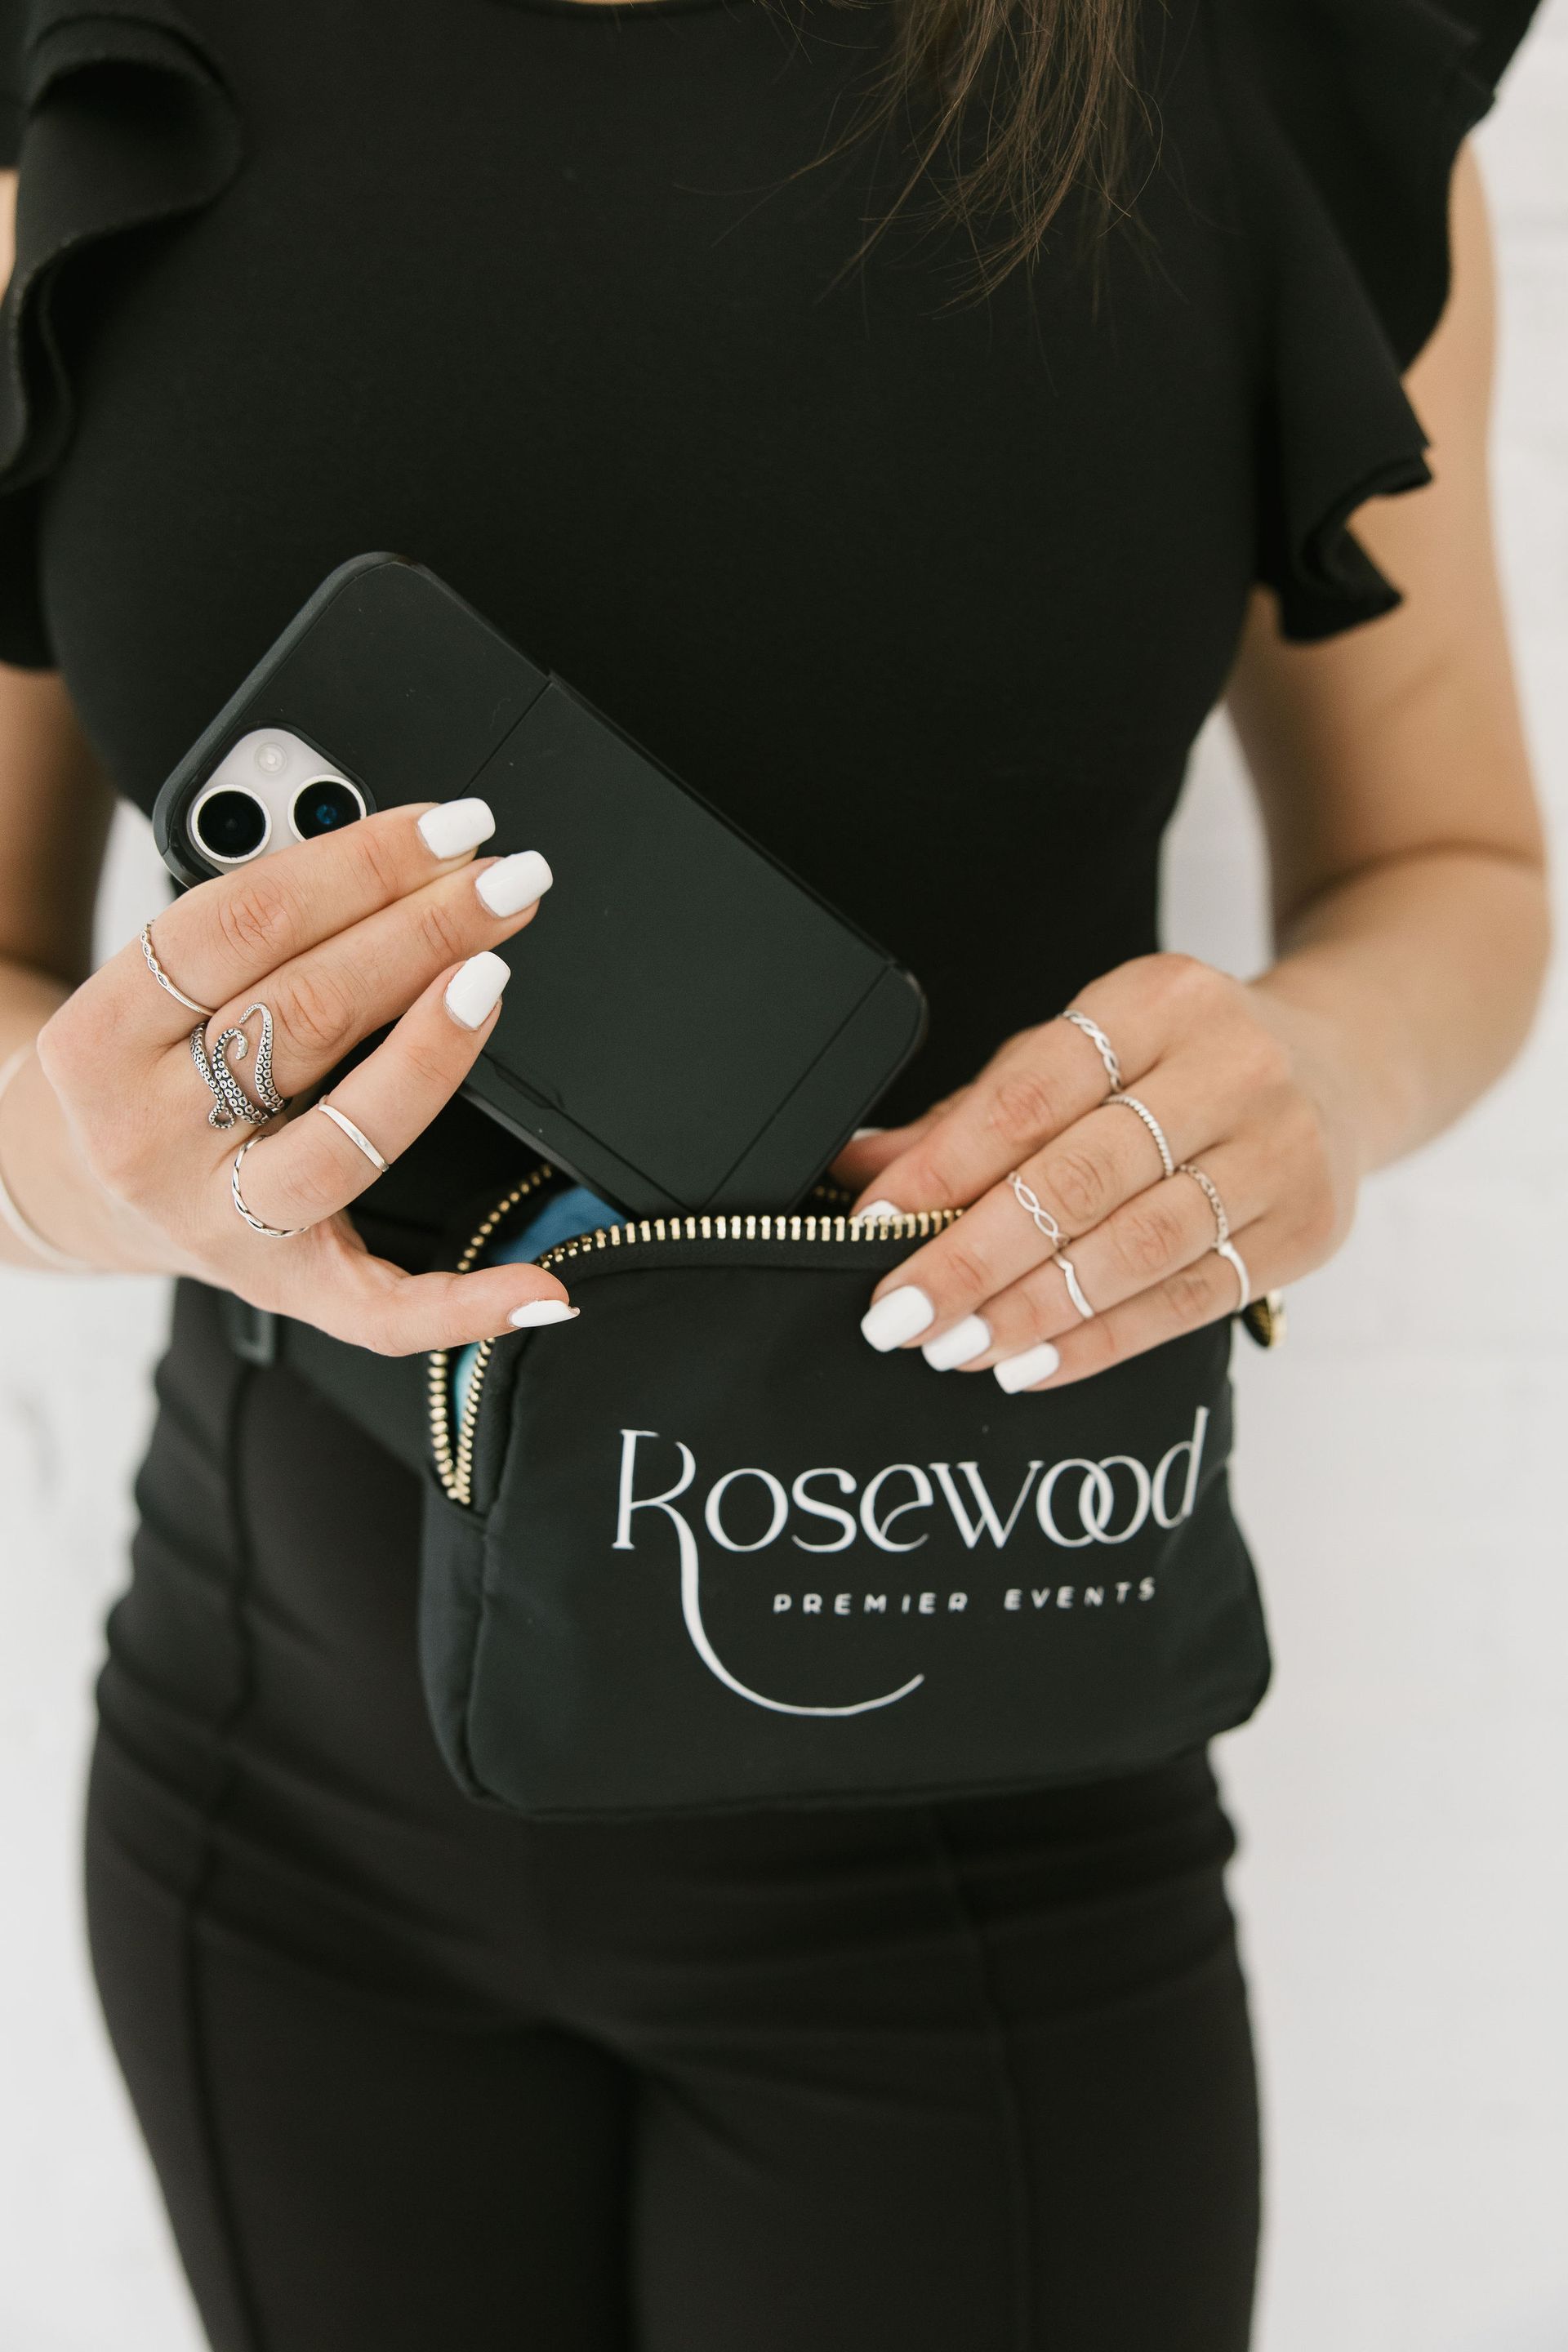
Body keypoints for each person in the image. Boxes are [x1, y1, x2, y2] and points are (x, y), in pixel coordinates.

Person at [0, 0, 1550, 2344]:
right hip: (269, 1827)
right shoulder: (77, 63)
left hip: (981, 1844)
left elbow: (1451, 860)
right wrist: (66, 1175)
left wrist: (1314, 1081)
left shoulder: (1268, 44)